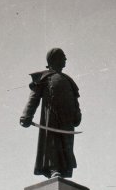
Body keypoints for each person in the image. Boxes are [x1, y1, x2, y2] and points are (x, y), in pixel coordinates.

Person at [20, 48, 81, 178]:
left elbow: (75, 99)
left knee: (66, 145)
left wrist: (77, 113)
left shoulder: (68, 80)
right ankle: (54, 169)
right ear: (54, 59)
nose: (65, 59)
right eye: (63, 57)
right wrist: (26, 115)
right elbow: (34, 98)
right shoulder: (44, 78)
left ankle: (63, 170)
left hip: (67, 120)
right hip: (52, 116)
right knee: (53, 143)